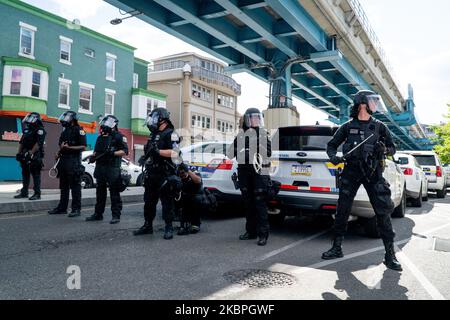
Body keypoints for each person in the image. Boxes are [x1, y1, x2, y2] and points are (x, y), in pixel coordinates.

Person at [322, 90, 402, 271]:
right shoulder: (347, 126)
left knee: (382, 211)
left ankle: (390, 255)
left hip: (373, 171)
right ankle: (336, 247)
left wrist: (385, 150)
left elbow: (393, 148)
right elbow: (331, 145)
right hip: (351, 170)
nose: (375, 104)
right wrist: (333, 157)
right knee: (342, 209)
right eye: (372, 101)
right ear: (362, 103)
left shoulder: (380, 126)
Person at [133, 107, 181, 240]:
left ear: (162, 119)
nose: (152, 120)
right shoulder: (153, 134)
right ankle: (147, 226)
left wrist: (159, 152)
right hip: (152, 172)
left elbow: (176, 153)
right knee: (149, 202)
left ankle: (169, 227)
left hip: (164, 173)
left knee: (167, 202)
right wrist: (145, 157)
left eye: (154, 117)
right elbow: (150, 149)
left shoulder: (172, 133)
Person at [227, 108, 272, 246]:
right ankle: (251, 231)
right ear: (247, 119)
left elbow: (268, 153)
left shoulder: (263, 134)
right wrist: (240, 150)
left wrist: (254, 148)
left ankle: (263, 234)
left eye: (259, 117)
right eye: (254, 117)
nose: (257, 120)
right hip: (244, 173)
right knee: (248, 203)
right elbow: (229, 154)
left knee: (260, 203)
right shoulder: (240, 135)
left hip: (259, 172)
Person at [85, 115, 128, 224]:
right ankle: (98, 214)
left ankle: (116, 215)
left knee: (114, 193)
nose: (104, 125)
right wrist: (93, 157)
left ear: (113, 124)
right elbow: (96, 151)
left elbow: (124, 151)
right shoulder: (101, 137)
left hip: (112, 168)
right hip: (101, 167)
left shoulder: (119, 136)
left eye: (106, 123)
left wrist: (113, 153)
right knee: (100, 193)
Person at [48, 111, 87, 217]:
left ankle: (76, 209)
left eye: (67, 118)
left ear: (73, 119)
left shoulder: (79, 130)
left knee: (75, 186)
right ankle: (62, 208)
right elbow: (61, 145)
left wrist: (69, 148)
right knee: (63, 186)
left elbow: (83, 146)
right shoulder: (64, 131)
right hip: (63, 161)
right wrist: (58, 152)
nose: (64, 120)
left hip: (74, 161)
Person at [15, 112, 46, 200]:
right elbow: (21, 142)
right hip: (25, 153)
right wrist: (19, 153)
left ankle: (37, 194)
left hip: (35, 154)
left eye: (30, 118)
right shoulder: (27, 130)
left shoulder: (40, 130)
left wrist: (30, 153)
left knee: (36, 174)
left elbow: (38, 143)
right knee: (25, 173)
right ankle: (24, 192)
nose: (29, 121)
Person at [176, 163, 203, 235]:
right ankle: (183, 223)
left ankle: (196, 224)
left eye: (183, 172)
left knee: (197, 199)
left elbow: (198, 181)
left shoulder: (193, 174)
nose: (182, 174)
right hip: (184, 198)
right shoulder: (178, 177)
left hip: (195, 197)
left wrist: (188, 171)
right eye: (180, 173)